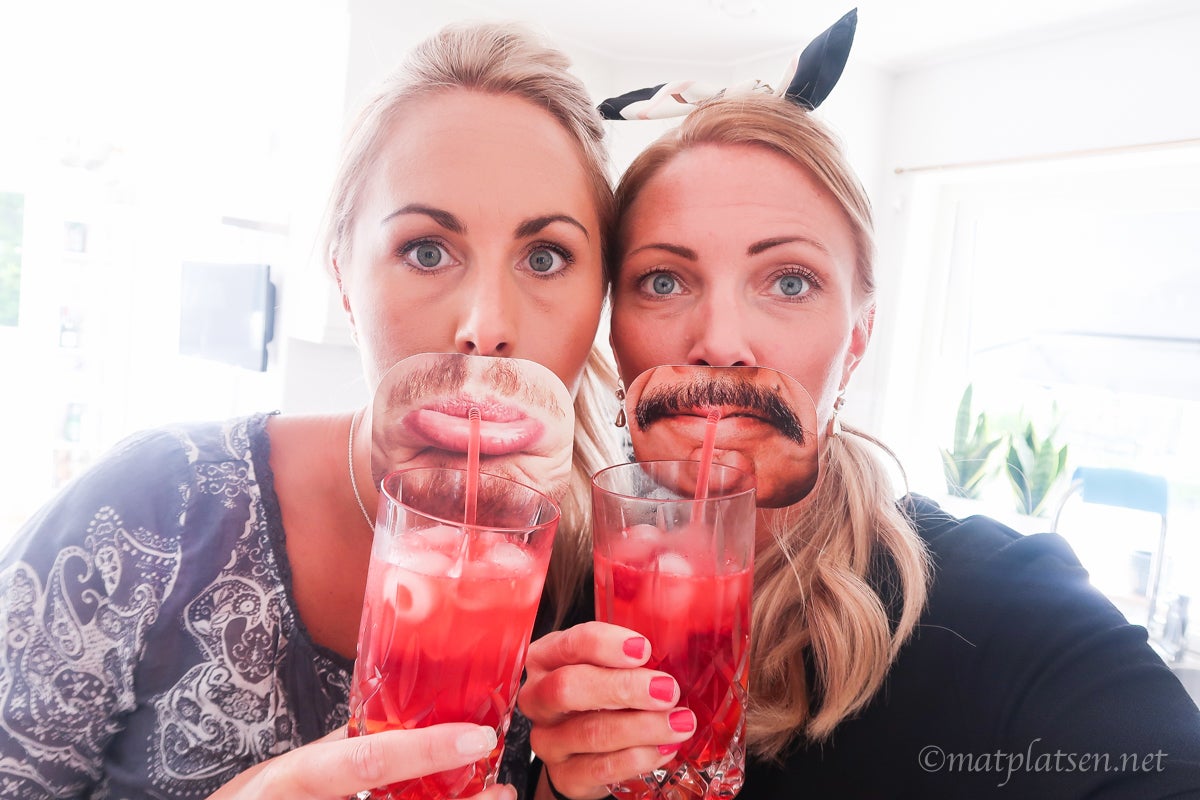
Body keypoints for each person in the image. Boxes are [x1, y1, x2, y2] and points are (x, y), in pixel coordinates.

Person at [0, 21, 618, 800]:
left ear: (599, 300)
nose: (485, 327)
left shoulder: (599, 594)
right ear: (344, 280)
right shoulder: (152, 510)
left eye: (545, 257)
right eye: (427, 250)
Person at [517, 94, 1200, 798]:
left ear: (856, 341)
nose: (719, 342)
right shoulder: (561, 591)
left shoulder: (1001, 602)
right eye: (663, 281)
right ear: (614, 331)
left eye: (789, 282)